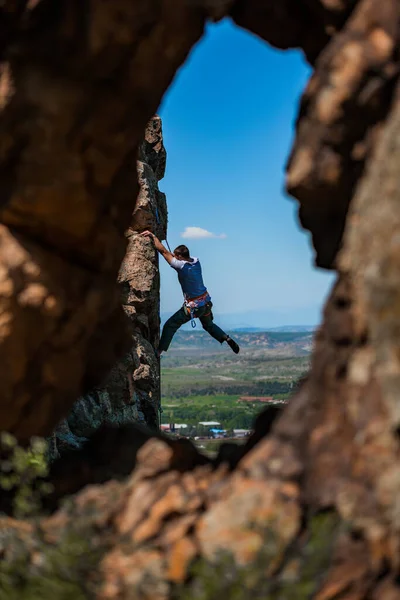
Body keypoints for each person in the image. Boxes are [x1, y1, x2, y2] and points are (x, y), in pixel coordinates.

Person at [140, 231, 240, 356]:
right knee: (209, 325)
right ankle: (226, 338)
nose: (175, 259)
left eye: (177, 257)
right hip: (206, 303)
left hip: (194, 306)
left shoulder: (181, 267)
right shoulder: (196, 262)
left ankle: (159, 351)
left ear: (180, 258)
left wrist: (153, 236)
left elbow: (164, 252)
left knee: (170, 325)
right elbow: (174, 256)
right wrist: (175, 256)